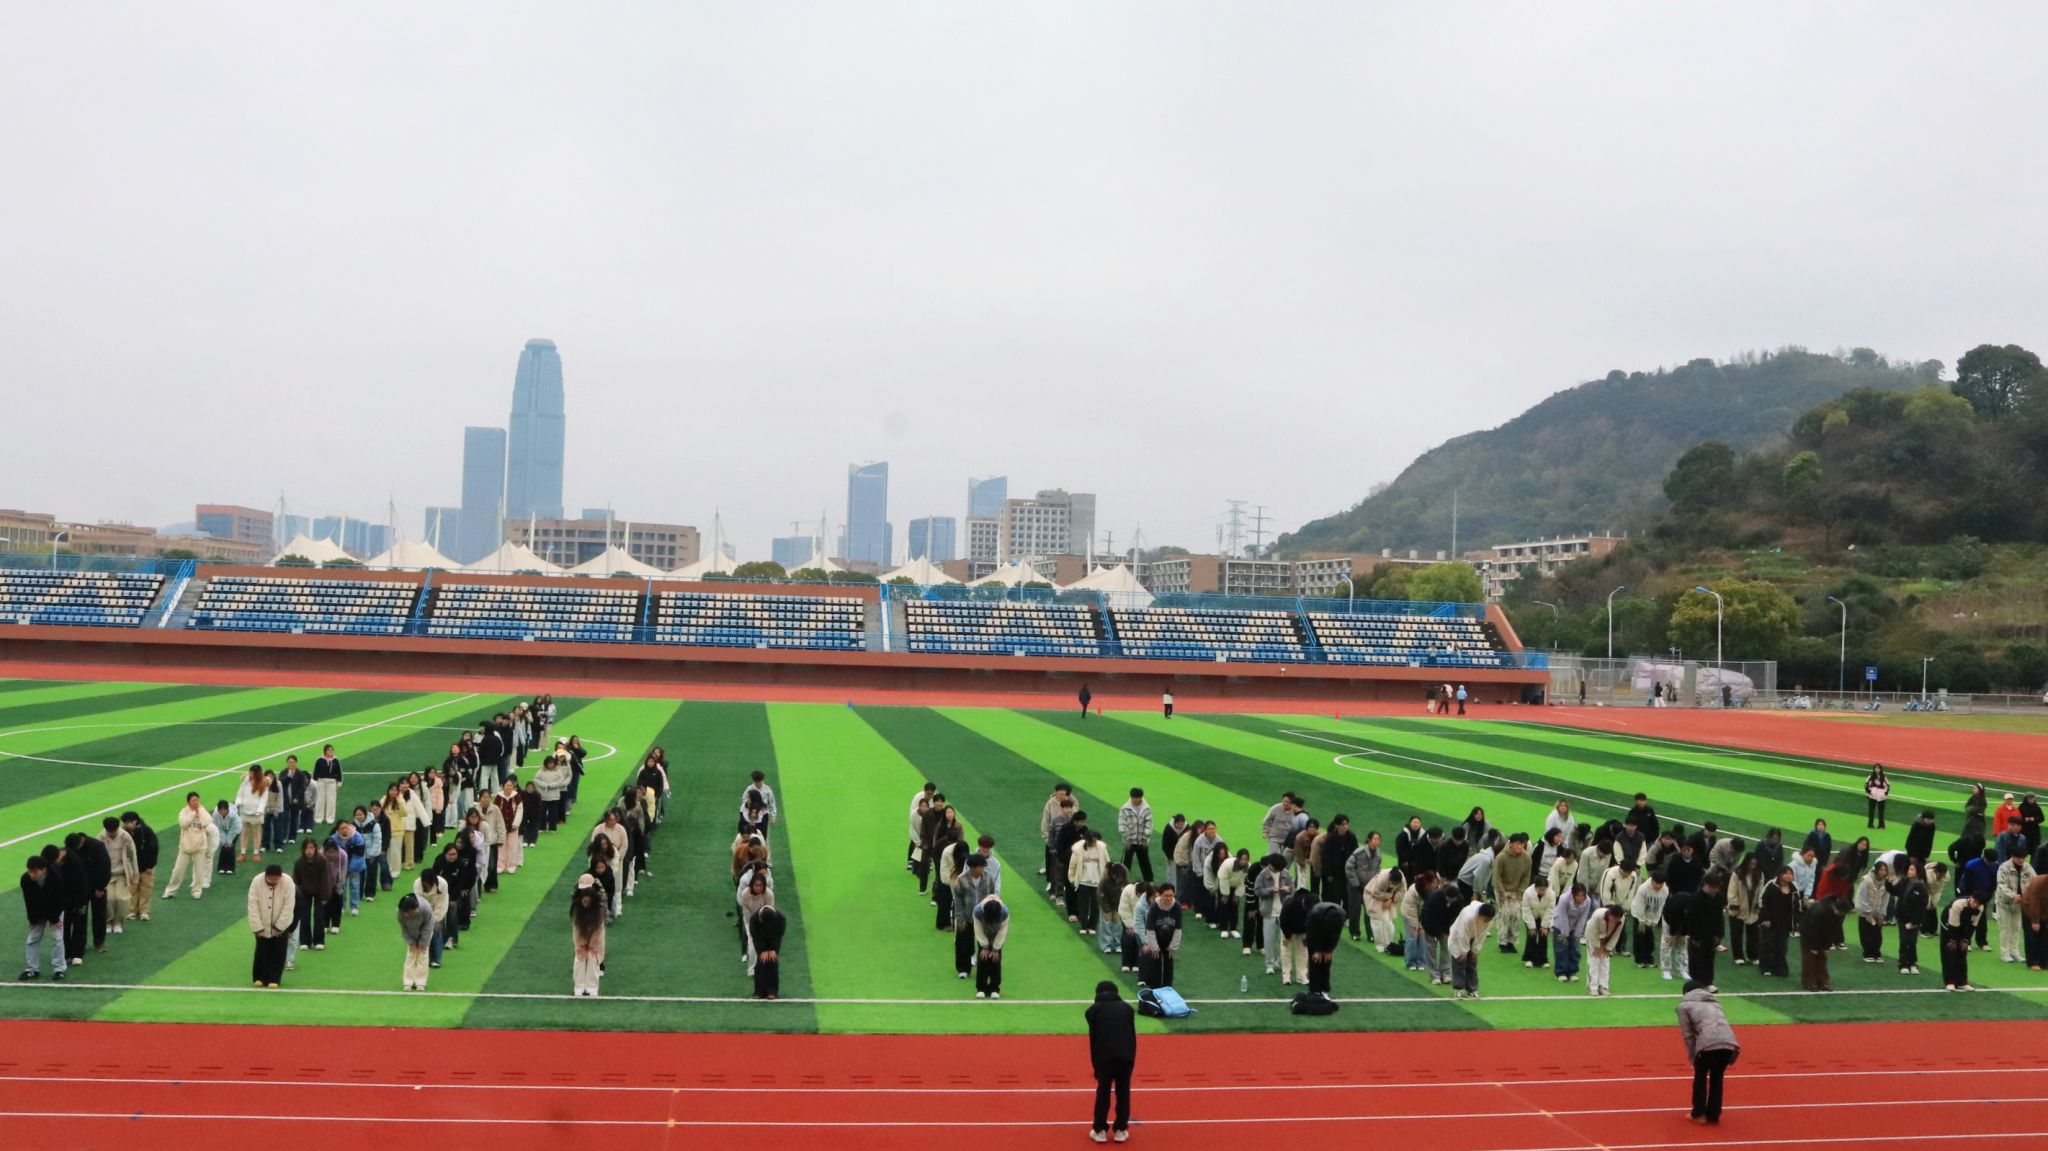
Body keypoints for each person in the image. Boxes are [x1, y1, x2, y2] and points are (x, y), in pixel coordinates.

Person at [1676, 981, 1740, 1125]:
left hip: (1708, 1043)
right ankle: (1714, 1115)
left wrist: (1692, 1057)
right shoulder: (1715, 1003)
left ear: (1685, 993)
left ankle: (1698, 1113)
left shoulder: (1684, 1006)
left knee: (1700, 1077)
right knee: (1717, 1078)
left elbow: (1688, 1035)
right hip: (1729, 1042)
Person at [1085, 980, 1136, 1143]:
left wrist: (1096, 1067)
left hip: (1104, 1057)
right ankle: (1121, 1129)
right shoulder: (1127, 1009)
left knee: (1103, 1092)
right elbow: (1131, 1036)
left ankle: (1099, 1130)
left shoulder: (1092, 1011)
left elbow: (1094, 1040)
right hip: (1125, 1056)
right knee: (1123, 1092)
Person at [19, 854, 67, 982]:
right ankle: (31, 969)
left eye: (35, 872)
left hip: (55, 910)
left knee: (57, 938)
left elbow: (58, 901)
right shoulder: (25, 879)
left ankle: (59, 969)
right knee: (33, 938)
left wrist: (54, 919)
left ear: (44, 870)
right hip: (38, 911)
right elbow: (29, 901)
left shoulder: (56, 878)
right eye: (30, 871)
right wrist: (32, 919)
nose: (31, 875)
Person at [247, 864, 295, 988]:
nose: (273, 882)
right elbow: (252, 905)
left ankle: (274, 978)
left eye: (276, 880)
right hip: (262, 923)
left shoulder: (288, 882)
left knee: (278, 952)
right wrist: (257, 926)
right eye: (271, 879)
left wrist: (280, 927)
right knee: (261, 951)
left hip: (281, 925)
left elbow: (289, 906)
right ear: (266, 876)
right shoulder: (257, 881)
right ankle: (259, 977)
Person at [1996, 848, 2037, 964]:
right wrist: (2013, 895)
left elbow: (2034, 880)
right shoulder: (2004, 867)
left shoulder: (2027, 867)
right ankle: (2005, 953)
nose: (2021, 860)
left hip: (2020, 903)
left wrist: (2027, 895)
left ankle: (2015, 952)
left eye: (2023, 858)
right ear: (2012, 856)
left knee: (2016, 928)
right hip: (2004, 902)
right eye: (2019, 858)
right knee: (2005, 928)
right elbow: (2001, 885)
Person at [1448, 900, 1495, 999]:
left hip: (1474, 937)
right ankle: (1458, 989)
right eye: (1486, 919)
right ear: (1480, 915)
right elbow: (1462, 933)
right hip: (1458, 937)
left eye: (1489, 919)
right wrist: (1464, 951)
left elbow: (1482, 934)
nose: (1488, 921)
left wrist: (1475, 950)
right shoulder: (1467, 915)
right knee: (1459, 961)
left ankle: (1472, 989)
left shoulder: (1490, 919)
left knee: (1472, 962)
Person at [291, 838, 332, 952]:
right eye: (307, 848)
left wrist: (325, 896)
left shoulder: (322, 860)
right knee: (304, 916)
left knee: (319, 915)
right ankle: (305, 941)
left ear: (315, 849)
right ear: (303, 849)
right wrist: (296, 894)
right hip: (304, 892)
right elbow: (296, 880)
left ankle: (319, 941)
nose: (309, 851)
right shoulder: (299, 862)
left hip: (320, 891)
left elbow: (325, 879)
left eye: (311, 848)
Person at [98, 818, 137, 934]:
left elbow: (133, 855)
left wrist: (135, 875)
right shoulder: (100, 838)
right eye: (109, 832)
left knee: (121, 898)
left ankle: (118, 922)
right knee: (109, 899)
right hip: (106, 875)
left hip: (121, 874)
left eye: (114, 831)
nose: (112, 834)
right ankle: (108, 922)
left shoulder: (125, 836)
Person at [1757, 867, 1796, 977]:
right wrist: (1766, 918)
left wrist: (1795, 922)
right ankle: (1766, 967)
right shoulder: (1771, 885)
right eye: (1786, 873)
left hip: (1785, 923)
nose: (1788, 876)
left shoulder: (1794, 888)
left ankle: (1779, 968)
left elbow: (1796, 906)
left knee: (1782, 946)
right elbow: (1763, 901)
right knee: (1769, 944)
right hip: (1770, 922)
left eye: (1791, 873)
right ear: (1780, 874)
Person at [1801, 896, 1847, 991]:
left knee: (1822, 959)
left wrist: (1827, 946)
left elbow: (1834, 930)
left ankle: (1823, 982)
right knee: (1810, 959)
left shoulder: (1838, 914)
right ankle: (1810, 983)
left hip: (1823, 934)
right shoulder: (1820, 911)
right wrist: (1813, 946)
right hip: (1809, 933)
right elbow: (1813, 929)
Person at [571, 876, 606, 997]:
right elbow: (576, 929)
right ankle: (579, 988)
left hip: (596, 938)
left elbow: (599, 930)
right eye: (584, 901)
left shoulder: (599, 910)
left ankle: (592, 989)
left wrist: (591, 945)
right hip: (581, 936)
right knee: (579, 959)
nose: (585, 904)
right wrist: (581, 945)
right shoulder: (576, 908)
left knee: (593, 960)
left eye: (588, 902)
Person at [1940, 891, 1983, 991]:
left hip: (1963, 925)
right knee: (1949, 952)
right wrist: (1953, 940)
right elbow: (1953, 925)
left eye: (1978, 904)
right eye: (1974, 901)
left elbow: (1973, 925)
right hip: (1948, 925)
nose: (1975, 905)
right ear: (1971, 898)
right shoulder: (1958, 904)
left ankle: (1962, 982)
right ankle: (1950, 982)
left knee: (1962, 953)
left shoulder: (1980, 908)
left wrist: (1966, 939)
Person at [120, 812, 157, 923]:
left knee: (146, 888)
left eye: (129, 822)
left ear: (135, 821)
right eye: (125, 823)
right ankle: (132, 911)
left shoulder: (147, 831)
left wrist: (150, 865)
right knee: (132, 889)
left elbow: (154, 848)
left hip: (146, 866)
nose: (127, 825)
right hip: (131, 867)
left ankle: (144, 912)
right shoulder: (124, 833)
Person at [1894, 861, 1930, 975]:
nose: (1909, 871)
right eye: (1909, 869)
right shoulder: (1904, 882)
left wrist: (1914, 922)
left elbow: (1921, 907)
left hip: (1914, 920)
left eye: (1912, 869)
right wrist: (1888, 884)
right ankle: (1903, 964)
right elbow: (1895, 892)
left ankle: (1912, 963)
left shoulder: (1922, 887)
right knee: (1904, 941)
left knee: (1912, 942)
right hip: (1902, 917)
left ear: (1918, 872)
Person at [1552, 881, 1591, 983]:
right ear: (1573, 895)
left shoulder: (1588, 901)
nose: (1581, 898)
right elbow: (1563, 916)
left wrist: (1578, 934)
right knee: (1562, 948)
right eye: (1578, 896)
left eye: (1583, 896)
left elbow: (1583, 918)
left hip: (1575, 925)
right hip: (1560, 925)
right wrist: (1565, 933)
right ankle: (1561, 972)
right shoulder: (1564, 899)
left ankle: (1572, 972)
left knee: (1575, 949)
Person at [1304, 898, 1345, 994]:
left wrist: (1328, 950)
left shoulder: (1341, 915)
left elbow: (1335, 935)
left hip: (1329, 934)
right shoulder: (1314, 914)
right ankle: (1314, 989)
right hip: (1315, 933)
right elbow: (1312, 934)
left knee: (1326, 960)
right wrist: (1317, 950)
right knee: (1315, 960)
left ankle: (1324, 988)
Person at [1585, 901, 1626, 996]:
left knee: (1605, 962)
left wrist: (1608, 948)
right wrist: (1597, 947)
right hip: (1593, 936)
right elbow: (1591, 932)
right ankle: (1593, 987)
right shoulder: (1598, 915)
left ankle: (1603, 986)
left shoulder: (1622, 919)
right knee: (1594, 960)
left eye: (1617, 919)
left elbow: (1616, 934)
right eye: (1613, 918)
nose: (1615, 920)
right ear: (1609, 913)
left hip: (1607, 938)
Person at [1854, 861, 1892, 963]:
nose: (1884, 872)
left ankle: (1876, 953)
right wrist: (1868, 913)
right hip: (1865, 911)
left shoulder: (1887, 883)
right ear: (1876, 870)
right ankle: (1867, 953)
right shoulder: (1866, 880)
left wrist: (1882, 914)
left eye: (1885, 870)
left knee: (1877, 933)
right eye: (1881, 870)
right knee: (1866, 933)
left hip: (1877, 912)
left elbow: (1885, 899)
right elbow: (1862, 897)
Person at [973, 893, 1009, 999]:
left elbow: (1002, 932)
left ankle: (994, 988)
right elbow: (978, 930)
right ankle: (981, 988)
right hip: (983, 935)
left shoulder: (1004, 912)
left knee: (995, 960)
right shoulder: (977, 911)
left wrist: (996, 948)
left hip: (997, 935)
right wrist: (984, 946)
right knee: (982, 959)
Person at [395, 891, 433, 990]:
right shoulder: (400, 912)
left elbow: (428, 927)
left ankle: (420, 983)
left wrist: (423, 943)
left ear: (415, 909)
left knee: (423, 956)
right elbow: (403, 928)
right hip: (410, 932)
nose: (407, 915)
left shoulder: (426, 909)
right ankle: (408, 983)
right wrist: (410, 941)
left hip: (425, 932)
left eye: (409, 913)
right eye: (405, 913)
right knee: (411, 955)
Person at [1277, 886, 1314, 987]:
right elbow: (1284, 921)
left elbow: (1312, 923)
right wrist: (1287, 937)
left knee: (1303, 952)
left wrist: (1307, 936)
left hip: (1303, 931)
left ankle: (1302, 976)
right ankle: (1286, 977)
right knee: (1286, 951)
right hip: (1287, 929)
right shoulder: (1288, 904)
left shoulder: (1312, 905)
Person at [750, 903, 786, 1000]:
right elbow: (755, 936)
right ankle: (759, 992)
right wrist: (762, 950)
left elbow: (779, 935)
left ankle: (772, 991)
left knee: (773, 961)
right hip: (760, 941)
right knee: (761, 962)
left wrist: (773, 949)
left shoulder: (781, 918)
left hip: (774, 940)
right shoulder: (754, 919)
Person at [1520, 874, 1555, 970]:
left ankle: (1543, 960)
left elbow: (1550, 909)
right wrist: (1531, 926)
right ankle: (1529, 959)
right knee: (1531, 935)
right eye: (1540, 889)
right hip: (1531, 915)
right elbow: (1526, 909)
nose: (1542, 892)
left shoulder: (1551, 894)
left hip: (1544, 916)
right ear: (1536, 887)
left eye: (1544, 889)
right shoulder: (1528, 893)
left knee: (1543, 936)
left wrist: (1544, 926)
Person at [312, 745, 342, 825]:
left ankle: (330, 818)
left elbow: (339, 772)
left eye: (332, 750)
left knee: (331, 800)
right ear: (325, 751)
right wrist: (314, 782)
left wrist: (339, 782)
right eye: (329, 750)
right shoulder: (319, 760)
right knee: (319, 800)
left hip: (332, 782)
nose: (330, 751)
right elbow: (315, 771)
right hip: (321, 782)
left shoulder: (335, 760)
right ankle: (318, 818)